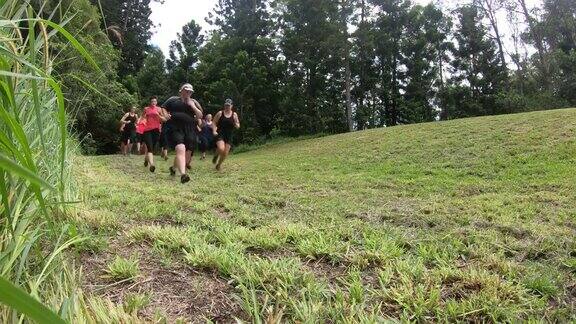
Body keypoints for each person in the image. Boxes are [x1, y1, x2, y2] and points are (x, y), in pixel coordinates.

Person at [161, 83, 203, 183]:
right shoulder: (173, 99)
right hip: (175, 127)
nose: (188, 92)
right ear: (181, 91)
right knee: (180, 148)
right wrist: (166, 115)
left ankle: (174, 168)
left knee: (187, 153)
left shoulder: (194, 102)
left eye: (190, 91)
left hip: (190, 129)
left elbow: (200, 115)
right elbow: (163, 107)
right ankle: (183, 174)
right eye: (186, 90)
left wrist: (193, 106)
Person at [212, 99, 240, 171]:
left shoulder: (234, 114)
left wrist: (237, 125)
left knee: (225, 153)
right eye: (226, 105)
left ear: (231, 106)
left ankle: (218, 165)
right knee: (221, 148)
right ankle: (216, 155)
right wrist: (214, 130)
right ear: (224, 105)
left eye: (229, 105)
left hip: (229, 135)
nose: (227, 107)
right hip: (220, 133)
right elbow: (214, 122)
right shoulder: (220, 113)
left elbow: (238, 124)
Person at [142, 96, 167, 172]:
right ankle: (152, 164)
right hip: (147, 130)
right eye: (152, 101)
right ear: (150, 102)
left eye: (155, 101)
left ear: (156, 102)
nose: (153, 103)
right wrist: (141, 123)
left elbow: (164, 119)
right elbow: (142, 118)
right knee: (150, 147)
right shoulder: (146, 109)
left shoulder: (159, 109)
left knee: (151, 147)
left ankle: (146, 159)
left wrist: (158, 115)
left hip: (156, 130)